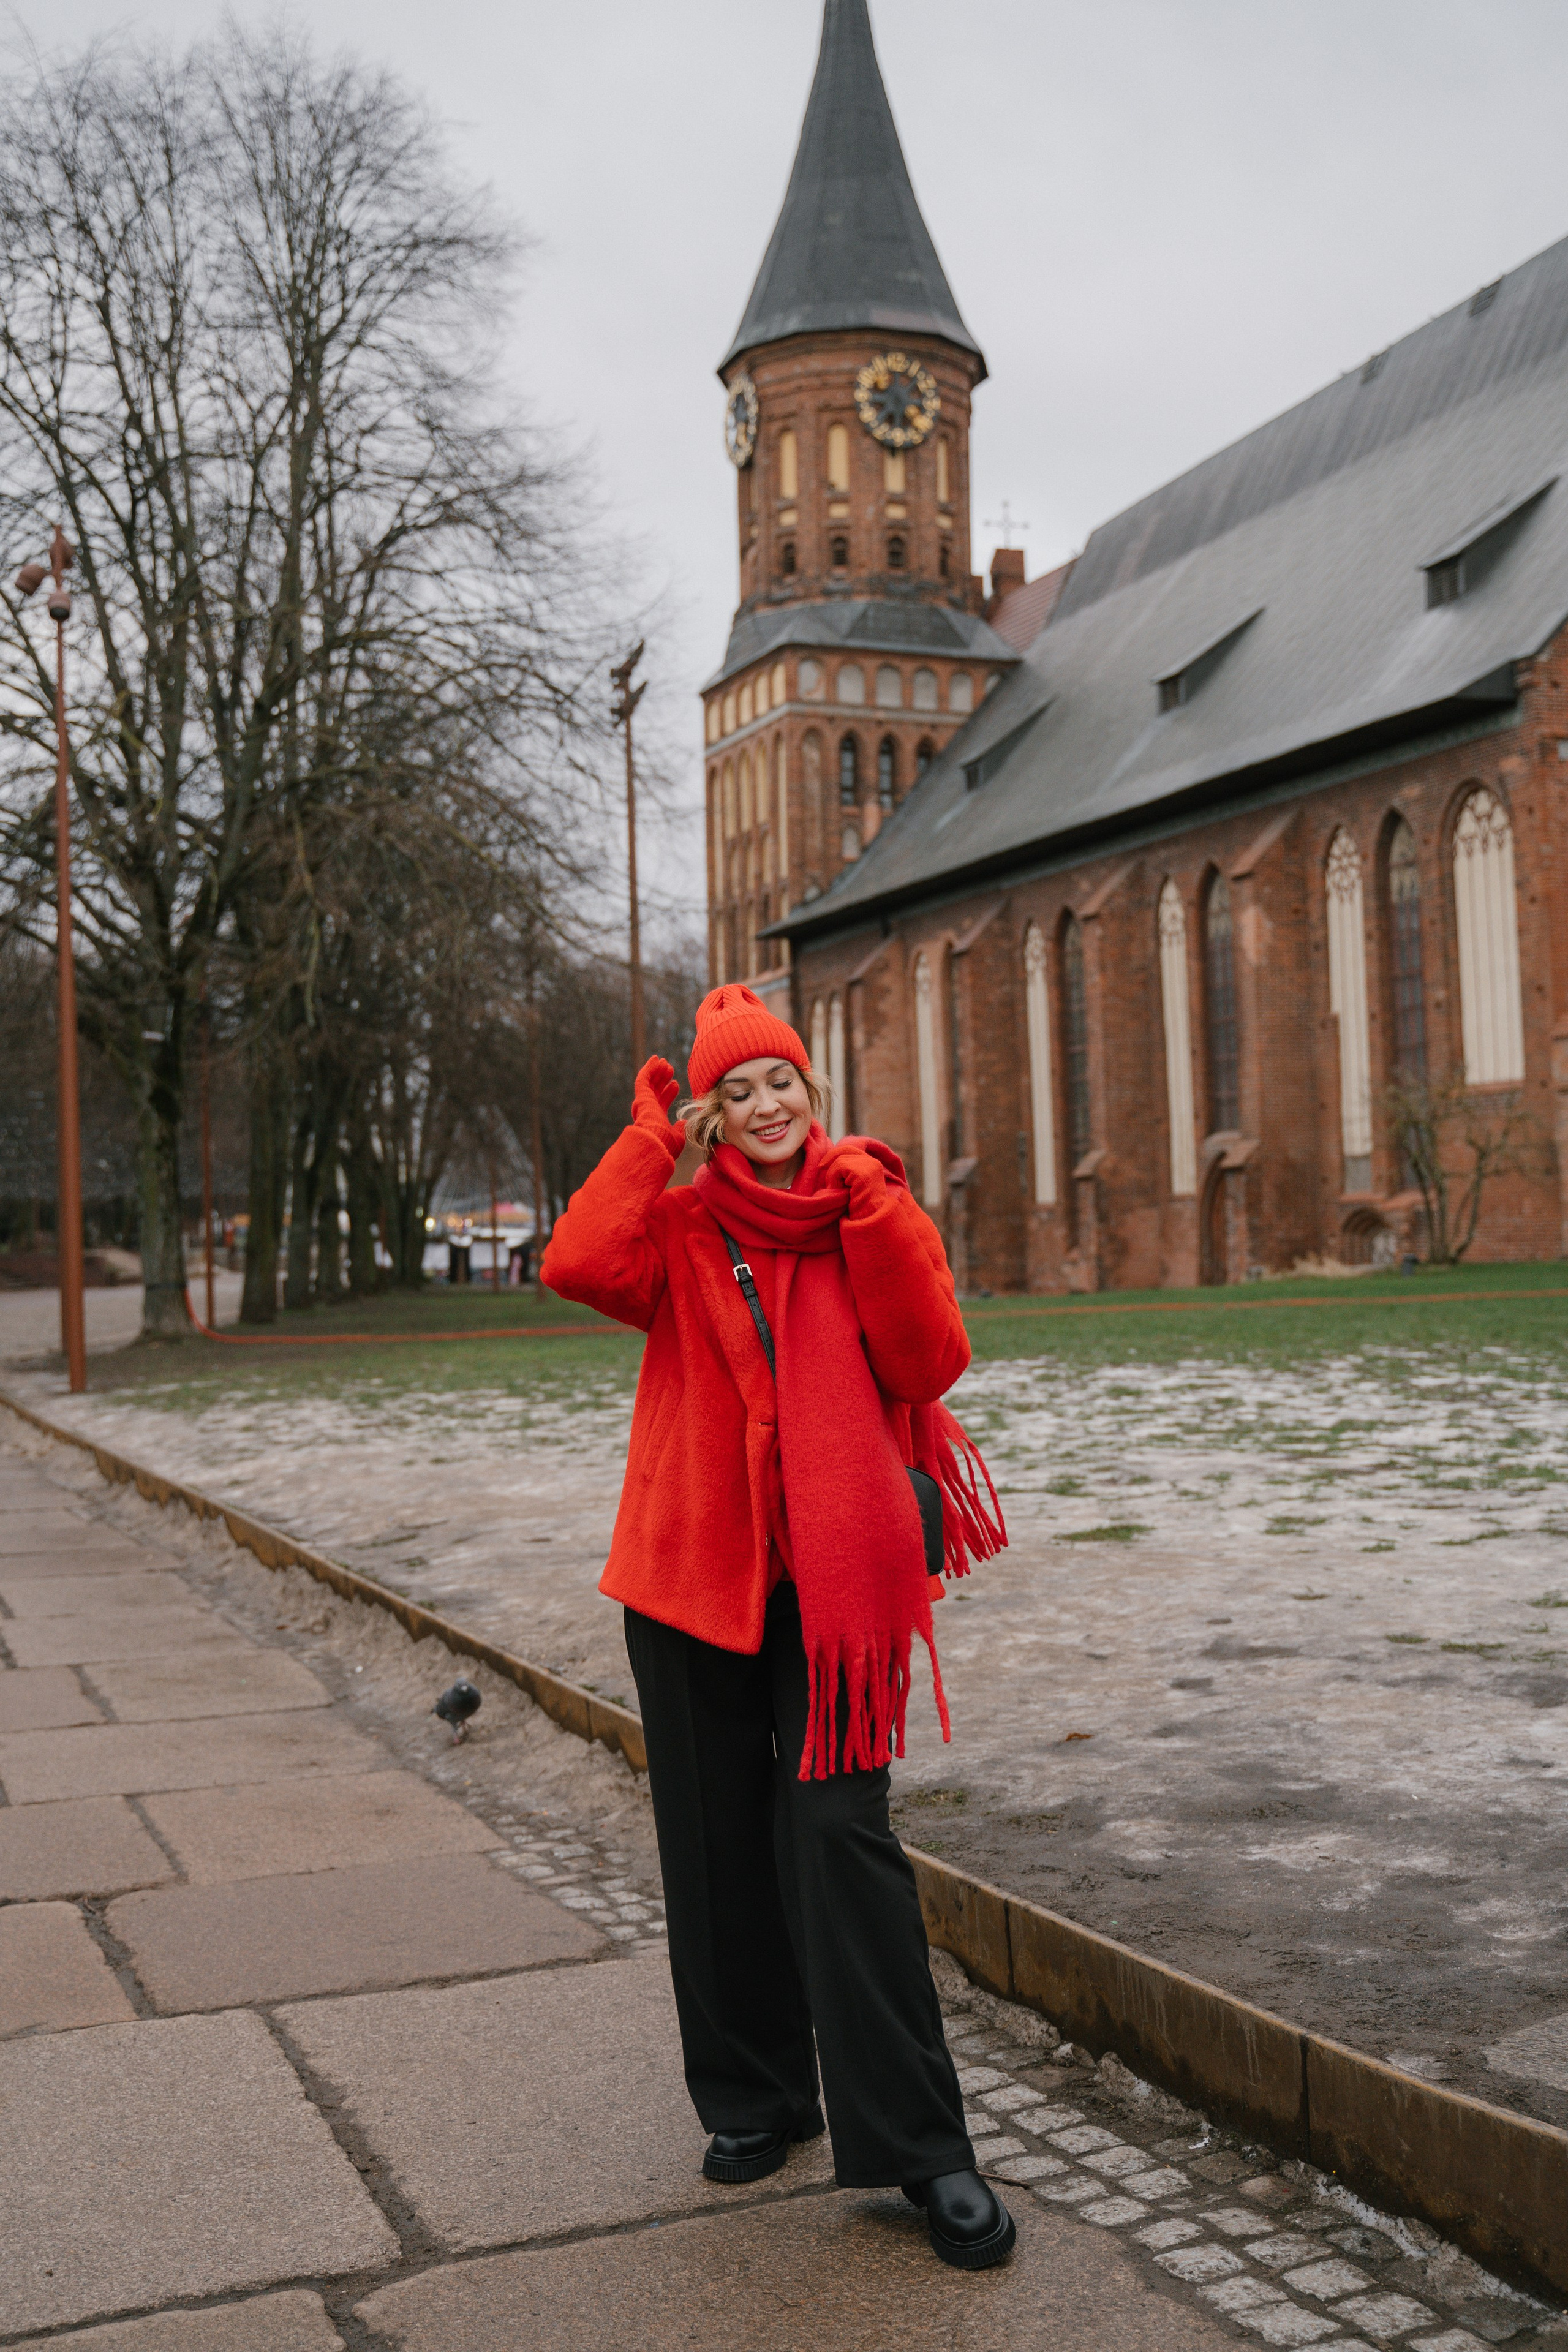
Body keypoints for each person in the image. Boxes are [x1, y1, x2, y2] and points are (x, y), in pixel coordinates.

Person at [540, 982, 1012, 2270]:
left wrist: (877, 1215)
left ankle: (923, 2147)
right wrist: (651, 1139)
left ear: (812, 1091)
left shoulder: (864, 1205)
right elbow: (577, 1263)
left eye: (780, 1083)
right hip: (691, 1572)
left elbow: (928, 1362)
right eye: (735, 1090)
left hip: (834, 1588)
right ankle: (755, 2097)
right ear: (712, 1110)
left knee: (836, 1834)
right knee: (712, 1842)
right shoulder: (682, 1224)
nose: (763, 1106)